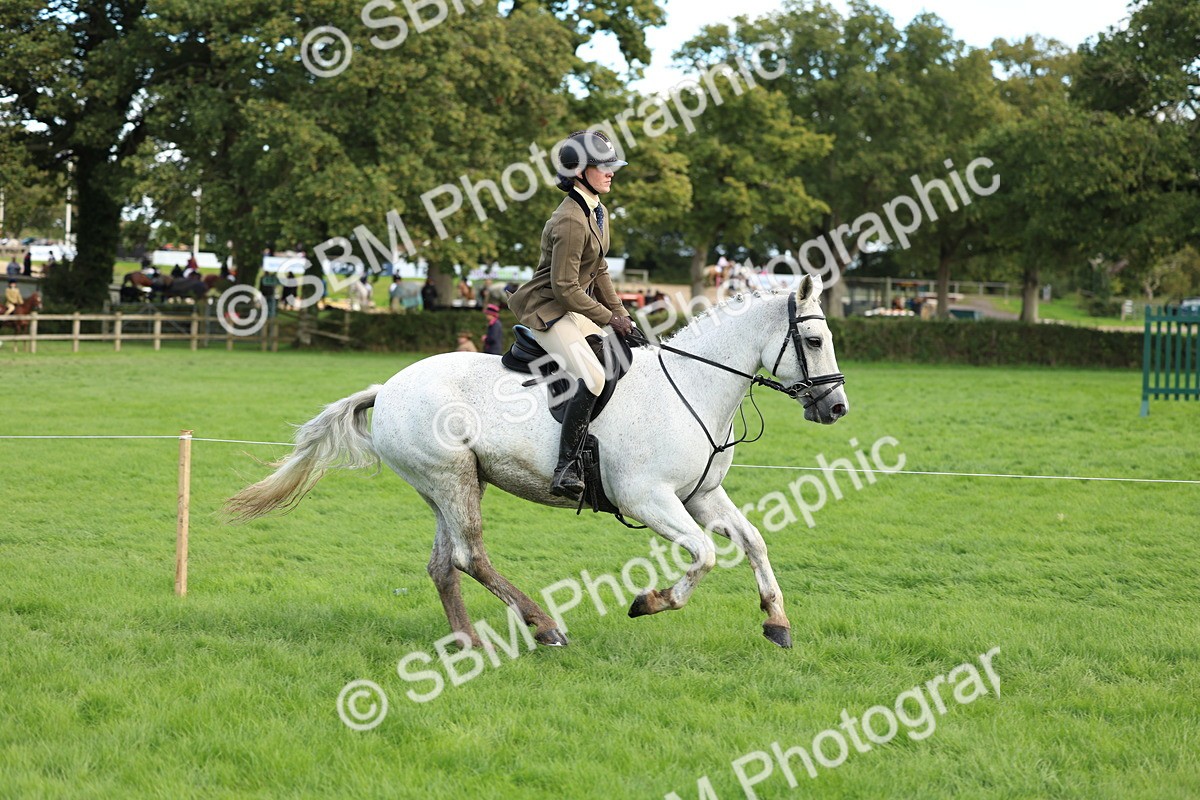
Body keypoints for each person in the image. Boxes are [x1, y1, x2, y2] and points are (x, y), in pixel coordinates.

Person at [506, 129, 634, 500]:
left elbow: (601, 269)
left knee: (622, 353)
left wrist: (622, 316)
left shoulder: (597, 209)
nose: (611, 172)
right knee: (594, 376)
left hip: (574, 305)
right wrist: (608, 318)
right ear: (579, 172)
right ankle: (566, 466)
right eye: (604, 166)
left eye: (613, 166)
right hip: (549, 310)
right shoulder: (569, 220)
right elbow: (565, 288)